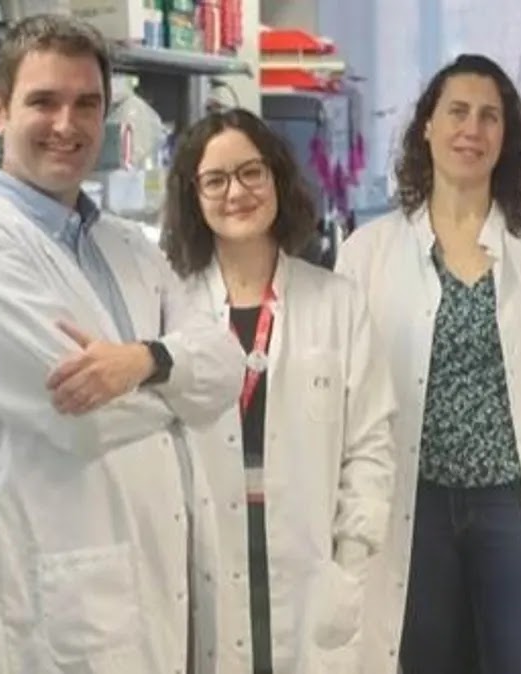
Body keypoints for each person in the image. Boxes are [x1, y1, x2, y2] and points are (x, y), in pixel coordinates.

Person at [0, 15, 243, 673]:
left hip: (155, 587)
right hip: (57, 610)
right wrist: (181, 384)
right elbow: (88, 420)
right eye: (44, 101)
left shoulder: (126, 244)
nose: (67, 124)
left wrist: (145, 361)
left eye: (86, 103)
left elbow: (226, 366)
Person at [335, 53, 521, 674]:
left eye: (490, 116)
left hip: (520, 502)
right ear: (427, 126)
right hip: (415, 505)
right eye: (457, 112)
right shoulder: (367, 253)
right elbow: (347, 399)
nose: (472, 129)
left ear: (506, 137)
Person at [159, 107, 397, 673]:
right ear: (193, 195)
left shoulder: (337, 302)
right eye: (215, 180)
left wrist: (352, 560)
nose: (236, 192)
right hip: (205, 554)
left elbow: (370, 443)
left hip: (310, 555)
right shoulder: (171, 305)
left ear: (277, 179)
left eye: (251, 172)